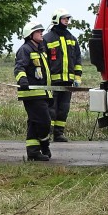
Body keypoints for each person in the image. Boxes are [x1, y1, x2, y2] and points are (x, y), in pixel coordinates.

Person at [43, 8, 83, 143]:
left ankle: (59, 134)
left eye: (67, 19)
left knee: (63, 109)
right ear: (57, 19)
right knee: (51, 110)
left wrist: (77, 76)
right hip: (52, 83)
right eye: (64, 18)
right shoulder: (47, 39)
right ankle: (47, 134)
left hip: (68, 82)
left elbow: (77, 59)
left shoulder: (71, 38)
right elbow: (44, 60)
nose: (67, 21)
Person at [15, 22, 53, 161]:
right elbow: (19, 68)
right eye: (38, 31)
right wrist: (23, 80)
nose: (41, 33)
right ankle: (44, 144)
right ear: (30, 35)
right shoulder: (25, 50)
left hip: (43, 93)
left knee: (34, 123)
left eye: (41, 31)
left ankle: (33, 152)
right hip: (32, 94)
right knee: (44, 122)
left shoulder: (41, 50)